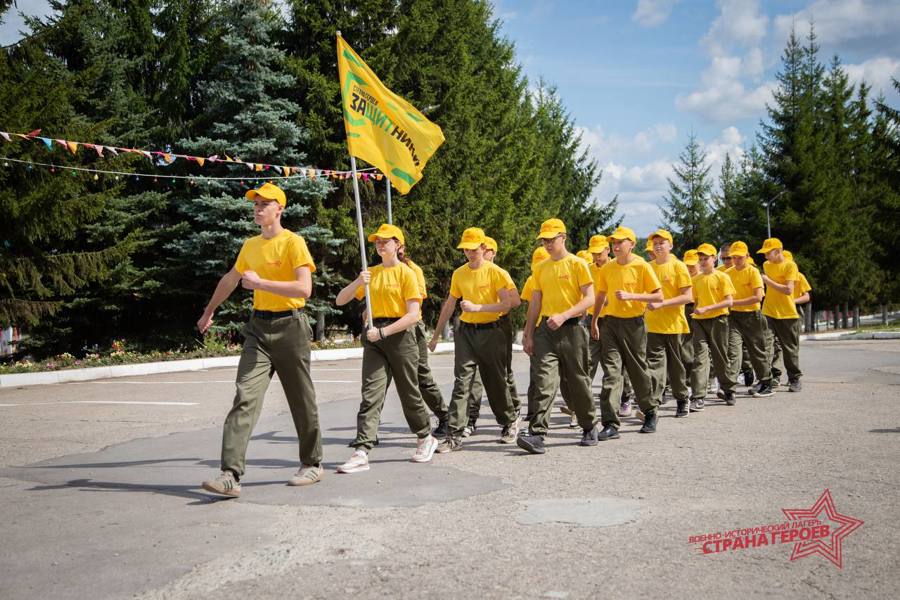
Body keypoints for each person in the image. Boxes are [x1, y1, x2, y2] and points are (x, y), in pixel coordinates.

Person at [199, 182, 322, 497]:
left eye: (264, 204)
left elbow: (304, 290)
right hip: (258, 329)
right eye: (255, 204)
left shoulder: (293, 243)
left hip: (291, 327)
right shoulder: (250, 245)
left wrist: (261, 283)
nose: (258, 208)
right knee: (245, 397)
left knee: (301, 399)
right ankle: (230, 474)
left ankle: (312, 463)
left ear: (279, 209)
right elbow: (231, 278)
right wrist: (209, 311)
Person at [334, 223, 438, 473]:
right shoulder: (371, 273)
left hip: (400, 335)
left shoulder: (407, 274)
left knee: (408, 391)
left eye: (386, 241)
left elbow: (413, 315)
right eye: (377, 241)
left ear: (398, 245)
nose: (380, 244)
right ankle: (362, 450)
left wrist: (383, 332)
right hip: (374, 338)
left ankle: (425, 436)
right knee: (371, 394)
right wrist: (359, 281)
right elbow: (340, 300)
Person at [429, 228, 521, 452]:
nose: (469, 253)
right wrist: (435, 336)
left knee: (495, 381)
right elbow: (450, 304)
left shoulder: (495, 272)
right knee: (462, 382)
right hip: (466, 332)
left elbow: (508, 304)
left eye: (473, 249)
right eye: (466, 250)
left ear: (483, 248)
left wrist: (478, 307)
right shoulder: (459, 273)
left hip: (492, 331)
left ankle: (509, 421)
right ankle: (454, 435)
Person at [518, 218, 598, 454]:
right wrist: (528, 333)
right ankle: (537, 435)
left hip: (573, 329)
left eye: (551, 239)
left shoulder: (577, 264)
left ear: (563, 237)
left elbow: (590, 298)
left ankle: (588, 425)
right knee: (544, 382)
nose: (547, 244)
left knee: (578, 381)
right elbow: (535, 302)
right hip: (546, 332)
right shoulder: (540, 268)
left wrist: (564, 315)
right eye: (544, 240)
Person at [590, 226, 663, 440]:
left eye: (620, 241)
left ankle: (650, 411)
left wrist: (633, 296)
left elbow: (658, 297)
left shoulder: (641, 266)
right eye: (613, 242)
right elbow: (601, 296)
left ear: (631, 243)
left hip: (634, 325)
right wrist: (594, 321)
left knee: (637, 371)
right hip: (610, 324)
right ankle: (610, 423)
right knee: (612, 374)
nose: (616, 245)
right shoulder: (608, 268)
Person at [462, 236, 521, 436]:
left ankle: (512, 411)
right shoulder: (468, 273)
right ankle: (470, 419)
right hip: (473, 328)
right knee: (473, 377)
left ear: (492, 252)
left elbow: (514, 301)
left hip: (499, 325)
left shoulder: (499, 274)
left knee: (502, 374)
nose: (478, 254)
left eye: (485, 251)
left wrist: (487, 307)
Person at [399, 245, 450, 437]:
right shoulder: (379, 270)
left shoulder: (413, 270)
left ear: (401, 247)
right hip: (386, 330)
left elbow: (416, 301)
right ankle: (369, 432)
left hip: (412, 328)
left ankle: (444, 416)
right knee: (379, 382)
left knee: (422, 377)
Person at [645, 230, 693, 418]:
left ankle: (682, 398)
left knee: (675, 367)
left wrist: (662, 304)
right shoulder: (648, 267)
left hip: (673, 325)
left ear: (670, 245)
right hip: (652, 325)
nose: (657, 246)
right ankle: (653, 405)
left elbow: (688, 296)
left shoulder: (678, 266)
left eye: (661, 243)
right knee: (655, 366)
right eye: (655, 243)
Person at [689, 243, 738, 410]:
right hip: (699, 321)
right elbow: (695, 301)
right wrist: (697, 311)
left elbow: (729, 301)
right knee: (700, 358)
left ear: (714, 258)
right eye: (700, 259)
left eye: (706, 258)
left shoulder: (722, 277)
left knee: (720, 357)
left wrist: (707, 308)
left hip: (719, 320)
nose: (702, 262)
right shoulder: (695, 280)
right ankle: (698, 396)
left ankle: (728, 389)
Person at [724, 241, 775, 398]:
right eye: (734, 257)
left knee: (757, 351)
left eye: (740, 257)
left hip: (752, 316)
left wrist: (733, 303)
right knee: (734, 350)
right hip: (733, 317)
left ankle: (766, 382)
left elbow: (757, 297)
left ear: (747, 256)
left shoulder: (752, 272)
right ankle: (729, 387)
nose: (737, 260)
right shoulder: (728, 273)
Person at [759, 238, 803, 392]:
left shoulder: (790, 266)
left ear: (778, 251)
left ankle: (794, 378)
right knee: (765, 347)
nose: (765, 256)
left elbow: (788, 290)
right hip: (768, 311)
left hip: (787, 313)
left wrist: (767, 280)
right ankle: (765, 380)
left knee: (789, 349)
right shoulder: (766, 265)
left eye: (767, 253)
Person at [519, 246, 551, 423]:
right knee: (536, 374)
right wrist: (526, 333)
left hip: (553, 326)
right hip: (537, 329)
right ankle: (533, 412)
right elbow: (530, 307)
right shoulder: (532, 280)